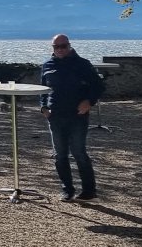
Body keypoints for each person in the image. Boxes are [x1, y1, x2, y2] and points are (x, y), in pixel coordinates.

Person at [39, 34, 105, 201]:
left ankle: (89, 191)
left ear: (69, 46)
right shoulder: (47, 65)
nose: (60, 49)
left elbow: (98, 86)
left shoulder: (83, 64)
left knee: (79, 153)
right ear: (52, 48)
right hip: (55, 116)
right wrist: (43, 107)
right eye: (56, 47)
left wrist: (89, 101)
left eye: (63, 46)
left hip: (77, 115)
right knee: (60, 155)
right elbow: (43, 90)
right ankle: (67, 190)